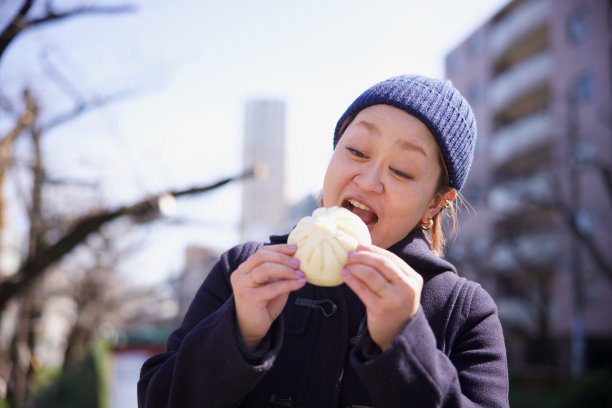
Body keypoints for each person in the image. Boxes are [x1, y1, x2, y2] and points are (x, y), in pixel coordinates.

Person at [137, 75, 509, 407]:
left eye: (402, 170)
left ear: (434, 202)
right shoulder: (244, 270)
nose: (368, 180)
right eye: (357, 151)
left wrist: (403, 346)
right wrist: (237, 334)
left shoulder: (464, 311)